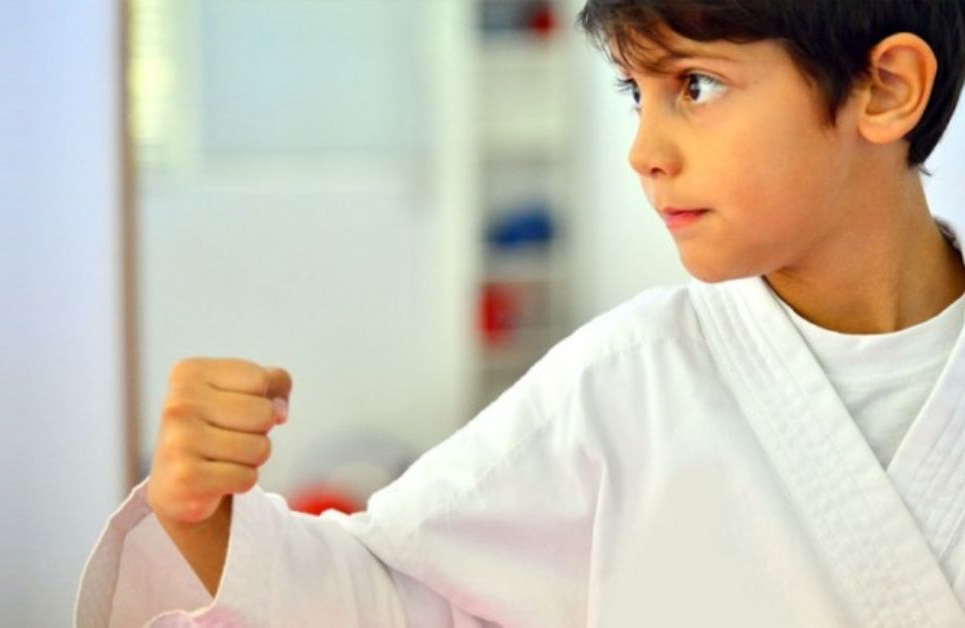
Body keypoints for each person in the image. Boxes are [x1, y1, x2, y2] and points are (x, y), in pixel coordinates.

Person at [77, 1, 965, 625]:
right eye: (634, 92)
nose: (643, 152)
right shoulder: (622, 383)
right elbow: (395, 600)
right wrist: (205, 513)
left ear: (885, 90)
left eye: (694, 87)